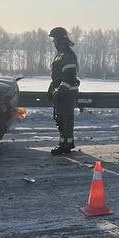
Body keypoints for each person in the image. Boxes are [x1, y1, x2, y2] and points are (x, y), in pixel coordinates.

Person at [48, 26, 80, 155]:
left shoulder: (68, 55)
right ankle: (63, 143)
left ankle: (66, 145)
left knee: (66, 119)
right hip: (61, 92)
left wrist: (59, 90)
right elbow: (57, 75)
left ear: (61, 40)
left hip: (67, 93)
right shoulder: (60, 54)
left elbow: (69, 77)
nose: (54, 42)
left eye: (55, 40)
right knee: (60, 118)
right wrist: (52, 88)